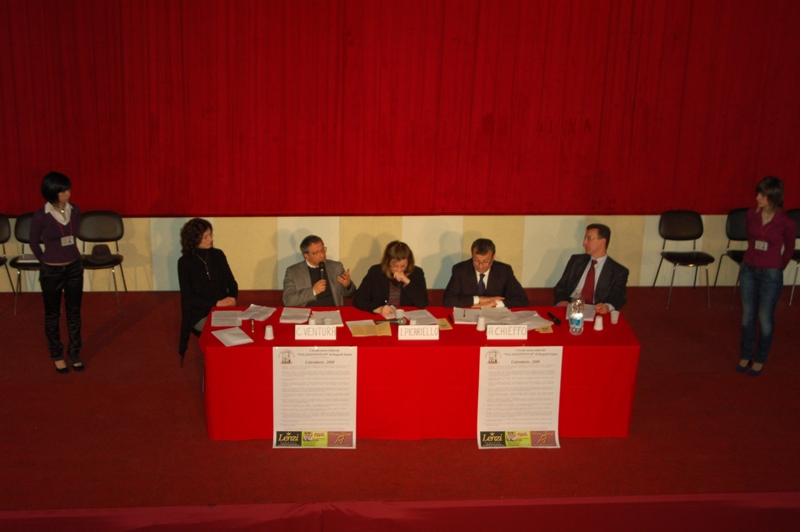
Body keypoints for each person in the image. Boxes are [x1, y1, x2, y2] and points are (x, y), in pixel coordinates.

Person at [737, 176, 796, 376]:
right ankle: (746, 355)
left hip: (771, 273)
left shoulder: (786, 223)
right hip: (749, 269)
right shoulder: (751, 215)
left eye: (762, 194)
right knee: (748, 315)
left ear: (774, 197)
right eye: (758, 193)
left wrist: (777, 266)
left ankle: (760, 359)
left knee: (765, 317)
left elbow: (789, 249)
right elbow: (750, 238)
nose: (757, 197)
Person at [30, 172, 85, 374]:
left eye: (68, 189)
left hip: (74, 267)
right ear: (52, 192)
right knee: (53, 314)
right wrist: (45, 260)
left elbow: (73, 235)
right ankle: (57, 354)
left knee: (74, 312)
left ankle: (75, 353)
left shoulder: (75, 210)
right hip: (51, 270)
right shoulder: (41, 215)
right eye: (63, 191)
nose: (68, 193)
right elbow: (34, 242)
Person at [178, 218, 238, 361]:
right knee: (221, 332)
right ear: (194, 239)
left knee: (240, 330)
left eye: (210, 235)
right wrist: (216, 304)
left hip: (223, 307)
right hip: (200, 313)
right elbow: (189, 298)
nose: (210, 239)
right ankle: (216, 363)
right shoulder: (185, 262)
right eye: (205, 237)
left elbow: (232, 282)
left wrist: (232, 298)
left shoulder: (218, 255)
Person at [553, 223, 629, 315]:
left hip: (597, 310)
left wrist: (607, 306)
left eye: (589, 238)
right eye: (585, 238)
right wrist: (561, 301)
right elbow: (561, 286)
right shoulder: (576, 261)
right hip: (571, 307)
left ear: (603, 241)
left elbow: (618, 296)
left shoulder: (619, 271)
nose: (584, 243)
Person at [443, 238, 528, 308]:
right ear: (472, 255)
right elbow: (448, 300)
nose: (480, 266)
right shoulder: (460, 270)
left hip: (495, 315)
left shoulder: (504, 271)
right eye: (476, 260)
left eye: (485, 261)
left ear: (493, 257)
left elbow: (522, 299)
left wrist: (494, 303)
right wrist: (479, 299)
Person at [353, 241, 428, 316]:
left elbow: (422, 303)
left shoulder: (417, 273)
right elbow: (358, 300)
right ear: (387, 261)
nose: (399, 270)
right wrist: (378, 308)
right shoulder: (376, 272)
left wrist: (407, 282)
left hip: (405, 317)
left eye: (403, 266)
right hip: (381, 317)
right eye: (395, 266)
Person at [282, 235, 355, 306]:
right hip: (309, 312)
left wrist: (348, 285)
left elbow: (349, 294)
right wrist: (313, 291)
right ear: (306, 256)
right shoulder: (293, 272)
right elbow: (288, 301)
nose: (322, 255)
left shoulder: (336, 267)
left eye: (323, 250)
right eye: (316, 252)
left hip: (333, 311)